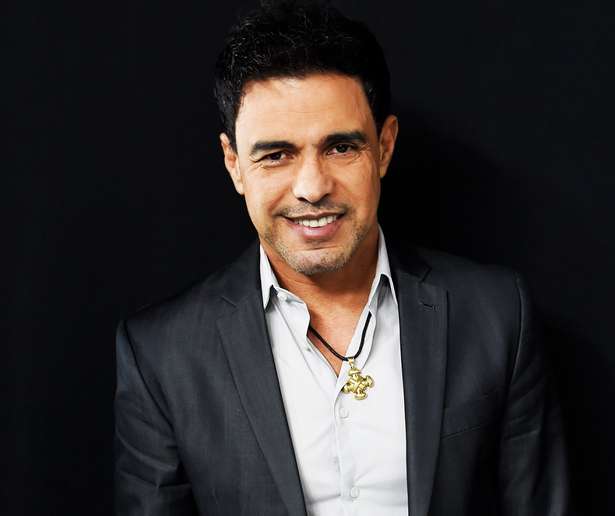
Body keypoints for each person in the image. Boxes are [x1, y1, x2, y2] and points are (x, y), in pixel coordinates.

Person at [114, 2, 570, 515]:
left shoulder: (498, 315)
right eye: (276, 155)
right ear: (234, 164)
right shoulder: (161, 355)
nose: (312, 188)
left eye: (340, 148)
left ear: (385, 147)